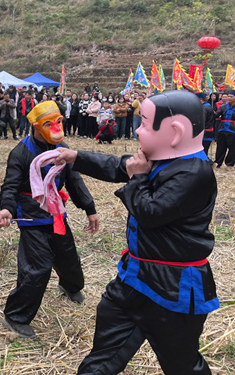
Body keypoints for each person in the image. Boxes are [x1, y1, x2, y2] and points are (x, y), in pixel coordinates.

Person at [55, 90, 217, 375]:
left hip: (173, 287)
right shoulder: (160, 156)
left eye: (144, 123)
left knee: (181, 364)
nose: (138, 130)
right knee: (103, 357)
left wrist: (139, 177)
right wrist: (75, 157)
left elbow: (150, 213)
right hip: (133, 279)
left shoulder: (195, 173)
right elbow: (120, 166)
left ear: (174, 132)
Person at [0, 101, 99, 339]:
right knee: (37, 267)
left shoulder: (62, 148)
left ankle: (70, 286)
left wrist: (89, 208)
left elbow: (74, 181)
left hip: (56, 212)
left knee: (68, 255)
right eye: (49, 124)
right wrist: (6, 209)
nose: (56, 128)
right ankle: (15, 316)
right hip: (31, 215)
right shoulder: (21, 152)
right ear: (36, 126)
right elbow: (10, 185)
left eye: (59, 122)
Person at [214, 90, 235, 168]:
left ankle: (229, 163)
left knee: (233, 148)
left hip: (233, 130)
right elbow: (217, 115)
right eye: (228, 96)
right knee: (220, 147)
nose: (229, 98)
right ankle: (218, 163)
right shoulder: (223, 106)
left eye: (231, 96)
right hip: (222, 129)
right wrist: (213, 113)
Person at [198, 92, 215, 160]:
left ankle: (206, 163)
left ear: (201, 99)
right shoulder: (209, 106)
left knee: (203, 150)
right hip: (209, 130)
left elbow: (202, 120)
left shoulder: (204, 108)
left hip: (205, 131)